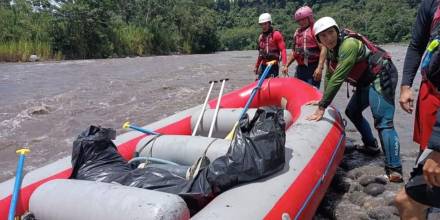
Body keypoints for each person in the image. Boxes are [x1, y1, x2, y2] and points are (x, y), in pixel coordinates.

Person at [306, 17, 403, 182]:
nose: (328, 38)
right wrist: (322, 98)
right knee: (352, 111)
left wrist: (322, 106)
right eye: (323, 36)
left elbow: (338, 77)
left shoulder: (348, 45)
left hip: (381, 75)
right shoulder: (331, 50)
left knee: (383, 122)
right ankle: (371, 146)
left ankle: (395, 170)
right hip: (366, 81)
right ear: (319, 40)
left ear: (337, 31)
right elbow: (330, 74)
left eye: (331, 33)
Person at [395, 0, 440, 218]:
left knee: (407, 200)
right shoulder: (431, 5)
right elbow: (416, 45)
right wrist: (405, 86)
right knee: (425, 155)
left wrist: (438, 148)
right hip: (431, 92)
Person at [282, 6, 326, 88]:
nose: (301, 22)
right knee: (296, 91)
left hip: (312, 68)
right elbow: (294, 52)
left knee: (311, 95)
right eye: (299, 20)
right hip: (300, 69)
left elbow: (323, 48)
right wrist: (286, 65)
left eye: (303, 19)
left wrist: (319, 68)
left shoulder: (315, 30)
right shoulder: (297, 33)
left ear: (310, 18)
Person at [254, 13, 287, 79]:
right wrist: (256, 66)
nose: (263, 26)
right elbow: (260, 54)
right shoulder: (261, 37)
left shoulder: (276, 34)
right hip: (263, 66)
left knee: (270, 84)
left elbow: (283, 50)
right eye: (262, 24)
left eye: (265, 24)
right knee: (260, 85)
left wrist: (284, 65)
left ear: (269, 23)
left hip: (273, 66)